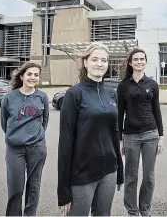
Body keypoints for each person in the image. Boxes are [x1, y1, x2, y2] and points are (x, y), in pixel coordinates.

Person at [57, 43, 124, 216]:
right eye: (95, 59)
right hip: (82, 173)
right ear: (85, 62)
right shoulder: (74, 93)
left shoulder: (111, 93)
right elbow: (65, 142)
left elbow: (115, 133)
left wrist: (120, 169)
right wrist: (63, 189)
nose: (99, 64)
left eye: (104, 60)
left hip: (109, 170)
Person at [117, 48, 164, 216]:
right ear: (130, 62)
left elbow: (157, 111)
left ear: (145, 61)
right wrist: (120, 138)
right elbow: (119, 113)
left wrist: (161, 136)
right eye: (135, 59)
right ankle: (132, 210)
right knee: (131, 176)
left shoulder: (152, 84)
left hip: (151, 134)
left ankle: (145, 209)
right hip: (130, 135)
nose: (139, 61)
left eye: (142, 59)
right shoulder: (123, 86)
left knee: (149, 176)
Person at [0, 62, 49, 216]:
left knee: (34, 187)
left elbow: (45, 120)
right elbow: (5, 122)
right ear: (22, 76)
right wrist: (16, 136)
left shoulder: (42, 97)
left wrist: (37, 135)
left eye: (36, 75)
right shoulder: (9, 98)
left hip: (37, 147)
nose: (33, 77)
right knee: (16, 188)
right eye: (29, 74)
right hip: (15, 149)